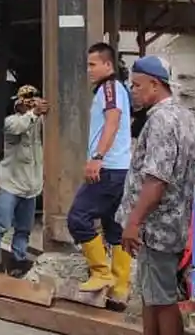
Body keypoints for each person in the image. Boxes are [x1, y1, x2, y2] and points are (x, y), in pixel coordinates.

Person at [118, 56, 195, 335]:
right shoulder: (184, 116)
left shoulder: (161, 121)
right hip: (175, 221)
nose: (133, 91)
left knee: (162, 300)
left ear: (155, 84)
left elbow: (156, 180)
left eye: (137, 85)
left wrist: (134, 222)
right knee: (153, 296)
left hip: (157, 227)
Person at [69, 42, 135, 304]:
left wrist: (98, 157)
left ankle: (101, 272)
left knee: (78, 217)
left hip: (109, 168)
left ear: (108, 65)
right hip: (121, 169)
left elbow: (113, 120)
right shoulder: (114, 89)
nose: (89, 70)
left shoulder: (110, 88)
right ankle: (120, 289)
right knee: (113, 226)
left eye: (93, 64)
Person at [0, 84, 46, 277]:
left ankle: (18, 259)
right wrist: (34, 113)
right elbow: (19, 127)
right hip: (11, 184)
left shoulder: (38, 122)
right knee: (0, 226)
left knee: (24, 229)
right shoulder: (11, 122)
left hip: (31, 186)